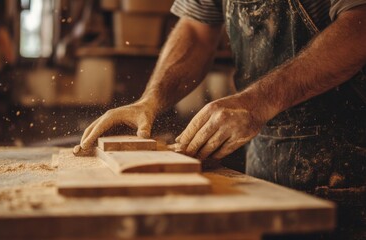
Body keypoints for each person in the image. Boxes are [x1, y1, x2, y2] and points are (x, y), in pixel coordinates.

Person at [75, 0, 366, 238]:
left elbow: (359, 26)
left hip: (347, 159)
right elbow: (196, 31)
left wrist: (258, 101)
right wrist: (149, 101)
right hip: (265, 160)